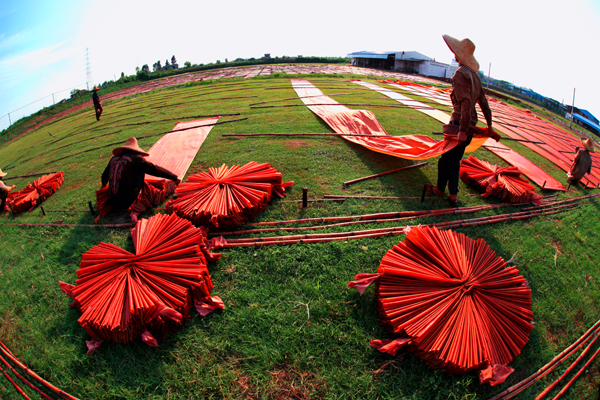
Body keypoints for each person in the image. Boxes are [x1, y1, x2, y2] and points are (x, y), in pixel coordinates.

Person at [425, 35, 498, 207]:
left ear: (458, 55)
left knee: (446, 160)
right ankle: (452, 195)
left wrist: (462, 131)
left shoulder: (460, 74)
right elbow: (485, 104)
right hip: (469, 125)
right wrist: (489, 126)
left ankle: (441, 190)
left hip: (459, 125)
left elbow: (465, 104)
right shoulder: (475, 76)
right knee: (455, 159)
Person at [101, 137, 178, 221]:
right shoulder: (137, 159)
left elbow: (104, 177)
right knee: (145, 181)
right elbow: (154, 170)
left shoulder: (113, 159)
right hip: (128, 201)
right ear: (134, 150)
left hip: (113, 201)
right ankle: (137, 208)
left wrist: (104, 186)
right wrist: (173, 177)